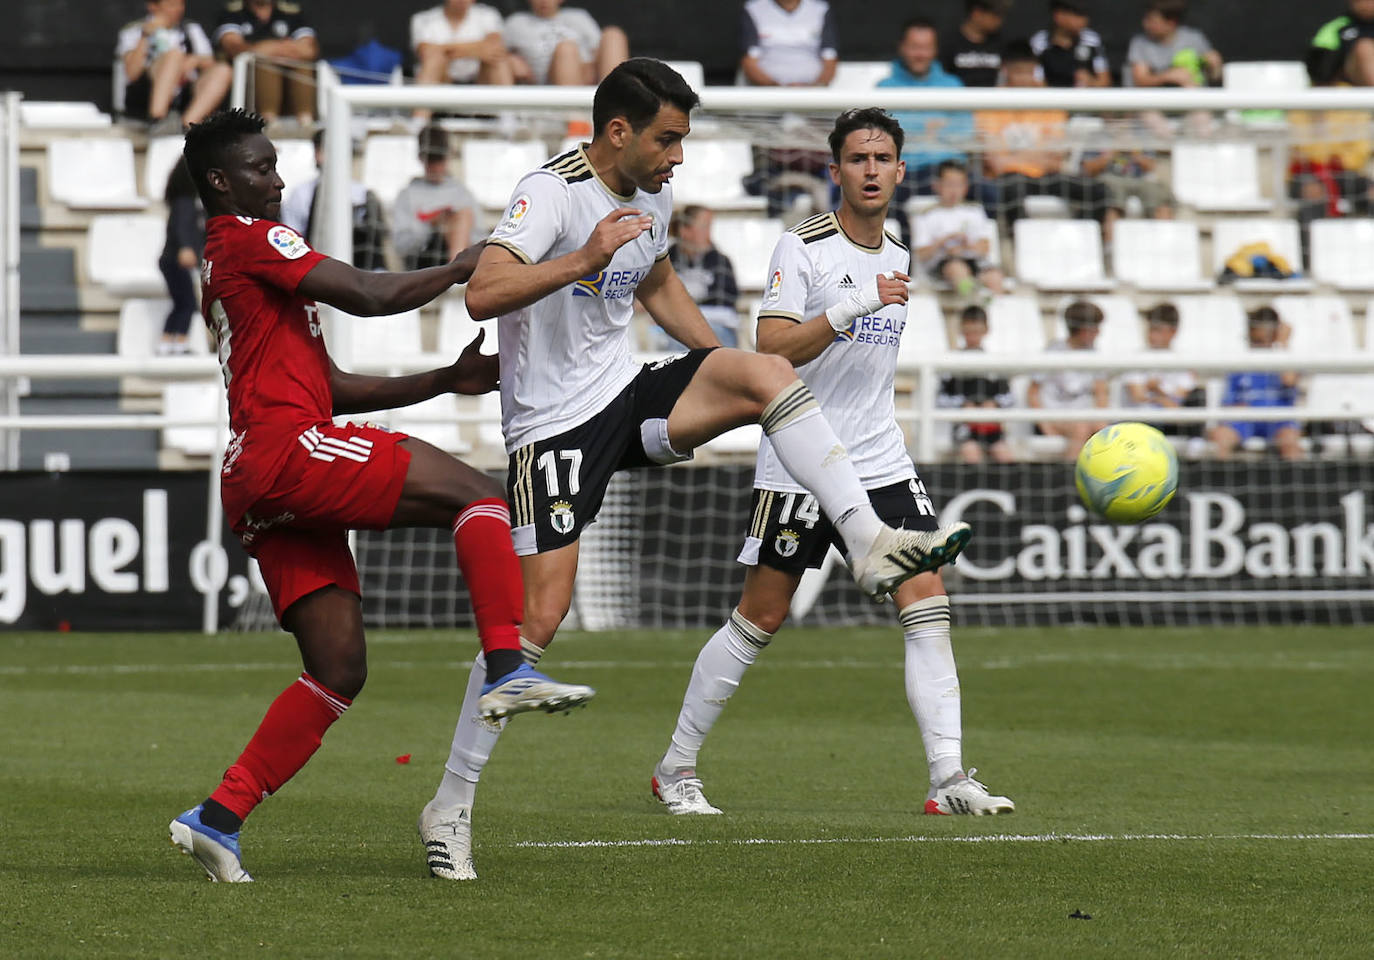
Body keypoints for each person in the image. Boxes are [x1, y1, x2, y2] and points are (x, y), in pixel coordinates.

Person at [426, 62, 974, 880]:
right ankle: (451, 805)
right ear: (620, 132)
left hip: (625, 394)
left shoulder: (651, 196)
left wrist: (716, 365)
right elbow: (484, 293)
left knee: (764, 373)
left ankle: (866, 542)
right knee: (536, 622)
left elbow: (655, 279)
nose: (677, 156)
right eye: (668, 138)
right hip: (550, 428)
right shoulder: (551, 192)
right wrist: (582, 257)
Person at [166, 108, 593, 884]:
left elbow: (328, 385)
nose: (279, 178)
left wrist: (444, 380)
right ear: (224, 181)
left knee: (337, 668)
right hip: (288, 452)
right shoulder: (250, 236)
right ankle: (506, 666)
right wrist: (461, 267)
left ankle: (217, 817)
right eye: (262, 167)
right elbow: (367, 292)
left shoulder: (240, 264)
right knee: (478, 496)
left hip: (257, 477)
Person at [650, 108, 1012, 820]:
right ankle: (675, 766)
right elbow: (771, 350)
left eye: (883, 158)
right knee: (762, 614)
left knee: (928, 602)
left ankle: (947, 779)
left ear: (901, 171)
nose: (871, 169)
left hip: (879, 456)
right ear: (835, 170)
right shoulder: (804, 246)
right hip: (800, 458)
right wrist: (851, 306)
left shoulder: (902, 255)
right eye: (857, 158)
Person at [879, 17, 995, 227]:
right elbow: (886, 140)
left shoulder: (952, 85)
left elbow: (965, 132)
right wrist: (935, 129)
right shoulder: (884, 88)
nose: (920, 54)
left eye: (926, 47)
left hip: (951, 171)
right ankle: (905, 258)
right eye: (914, 47)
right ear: (902, 48)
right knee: (885, 202)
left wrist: (913, 130)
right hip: (906, 173)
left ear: (935, 50)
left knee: (990, 193)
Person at [975, 42, 1107, 223]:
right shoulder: (989, 104)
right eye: (1018, 72)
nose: (1024, 78)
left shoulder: (1048, 101)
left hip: (1046, 177)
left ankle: (1081, 239)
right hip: (1009, 180)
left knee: (1097, 190)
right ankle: (1018, 242)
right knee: (1010, 190)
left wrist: (1014, 155)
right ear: (1005, 71)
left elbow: (1056, 158)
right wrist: (1036, 155)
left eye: (1029, 71)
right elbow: (996, 163)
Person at [279, 128, 388, 271]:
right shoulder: (301, 194)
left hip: (360, 272)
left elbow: (375, 250)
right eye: (325, 150)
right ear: (317, 153)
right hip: (315, 272)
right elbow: (292, 238)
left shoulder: (363, 194)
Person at [116, 0, 232, 131]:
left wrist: (195, 60)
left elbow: (210, 61)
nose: (178, 9)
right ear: (153, 6)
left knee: (223, 70)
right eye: (171, 5)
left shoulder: (191, 29)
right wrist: (146, 36)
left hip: (185, 92)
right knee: (173, 57)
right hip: (145, 93)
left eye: (180, 4)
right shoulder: (135, 31)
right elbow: (132, 73)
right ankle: (158, 119)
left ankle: (188, 126)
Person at [1209, 307, 1303, 461]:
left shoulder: (1286, 359)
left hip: (1278, 419)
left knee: (1290, 440)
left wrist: (1283, 344)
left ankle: (1295, 483)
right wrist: (1236, 409)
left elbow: (1289, 380)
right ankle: (1221, 483)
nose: (1256, 345)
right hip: (1245, 419)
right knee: (1221, 436)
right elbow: (1227, 404)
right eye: (1253, 340)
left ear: (1274, 336)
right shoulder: (1239, 364)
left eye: (1261, 341)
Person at [214, 0, 319, 128]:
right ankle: (269, 123)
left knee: (301, 66)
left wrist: (271, 49)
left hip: (289, 85)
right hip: (249, 87)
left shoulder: (291, 13)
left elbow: (309, 49)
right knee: (266, 64)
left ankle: (306, 124)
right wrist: (279, 49)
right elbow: (233, 47)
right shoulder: (232, 13)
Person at [1028, 299, 1109, 460]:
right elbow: (1032, 392)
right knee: (1081, 427)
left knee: (1104, 430)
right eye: (1094, 328)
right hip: (1057, 416)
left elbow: (1101, 392)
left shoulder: (1095, 354)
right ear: (1081, 329)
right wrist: (1044, 424)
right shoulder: (1053, 352)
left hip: (1085, 416)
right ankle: (1070, 477)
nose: (1098, 333)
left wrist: (1101, 419)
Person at [912, 160, 1006, 300]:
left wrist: (967, 246)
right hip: (943, 265)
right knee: (957, 269)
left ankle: (998, 311)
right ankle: (972, 302)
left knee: (995, 276)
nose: (954, 190)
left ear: (966, 187)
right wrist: (943, 243)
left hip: (972, 261)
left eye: (959, 185)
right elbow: (920, 254)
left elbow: (985, 246)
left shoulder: (975, 211)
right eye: (949, 184)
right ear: (937, 185)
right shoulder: (926, 216)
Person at [392, 124, 479, 271]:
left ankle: (455, 273)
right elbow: (401, 247)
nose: (436, 166)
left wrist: (452, 226)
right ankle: (455, 273)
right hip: (422, 259)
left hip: (458, 253)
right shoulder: (407, 195)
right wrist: (431, 225)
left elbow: (479, 238)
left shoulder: (462, 193)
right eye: (431, 160)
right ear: (421, 159)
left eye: (440, 159)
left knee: (463, 216)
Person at [938, 305, 1016, 465]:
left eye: (977, 331)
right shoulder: (951, 365)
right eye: (968, 332)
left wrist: (995, 404)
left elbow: (1009, 398)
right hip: (964, 427)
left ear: (986, 330)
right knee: (971, 453)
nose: (972, 337)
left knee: (1005, 455)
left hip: (992, 428)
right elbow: (940, 399)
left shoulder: (995, 365)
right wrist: (963, 405)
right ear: (961, 330)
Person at [1121, 303, 1205, 451]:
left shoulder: (1184, 362)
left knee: (1198, 395)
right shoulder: (1135, 359)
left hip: (1172, 421)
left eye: (1158, 330)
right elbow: (1136, 396)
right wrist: (1164, 398)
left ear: (1173, 332)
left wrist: (1156, 392)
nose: (1152, 335)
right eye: (1150, 330)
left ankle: (1195, 448)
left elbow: (1181, 398)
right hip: (1145, 420)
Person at [660, 205, 740, 349]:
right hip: (673, 326)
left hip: (715, 327)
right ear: (685, 230)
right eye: (705, 227)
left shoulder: (720, 261)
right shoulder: (666, 259)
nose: (709, 234)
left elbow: (725, 309)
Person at [504, 0, 630, 86]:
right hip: (546, 80)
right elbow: (496, 55)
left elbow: (598, 51)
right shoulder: (516, 23)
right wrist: (509, 60)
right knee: (566, 50)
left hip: (586, 74)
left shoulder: (579, 16)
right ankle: (574, 117)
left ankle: (615, 103)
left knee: (613, 34)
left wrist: (587, 67)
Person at [411, 0, 514, 98]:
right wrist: (478, 50)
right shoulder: (424, 18)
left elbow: (495, 46)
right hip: (442, 82)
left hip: (480, 80)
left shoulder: (487, 14)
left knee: (497, 59)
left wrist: (445, 50)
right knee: (434, 60)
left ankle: (507, 115)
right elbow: (425, 51)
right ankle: (420, 116)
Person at [157, 157, 205, 355]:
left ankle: (169, 341)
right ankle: (177, 343)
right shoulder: (185, 202)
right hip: (174, 260)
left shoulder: (190, 202)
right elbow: (182, 228)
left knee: (182, 303)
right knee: (187, 303)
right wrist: (186, 248)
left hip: (171, 261)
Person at [740, 0, 838, 87]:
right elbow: (749, 62)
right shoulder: (754, 9)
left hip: (814, 95)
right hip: (768, 94)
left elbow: (830, 59)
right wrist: (779, 89)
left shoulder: (820, 9)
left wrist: (813, 89)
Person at [1125, 0, 1222, 88]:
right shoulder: (1140, 42)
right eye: (1146, 19)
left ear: (1171, 22)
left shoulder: (1194, 38)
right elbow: (1140, 80)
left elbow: (1215, 76)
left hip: (1193, 99)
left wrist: (1214, 66)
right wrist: (1169, 76)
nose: (1145, 24)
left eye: (1152, 20)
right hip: (1155, 102)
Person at [1030, 0, 1111, 88]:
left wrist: (1091, 81)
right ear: (1059, 15)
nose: (1084, 20)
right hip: (1050, 99)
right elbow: (1035, 81)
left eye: (1084, 15)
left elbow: (1104, 80)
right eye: (1078, 15)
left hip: (1084, 99)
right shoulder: (1039, 41)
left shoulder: (1092, 39)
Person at [942, 0, 1012, 88]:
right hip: (958, 99)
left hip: (993, 99)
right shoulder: (949, 42)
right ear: (977, 13)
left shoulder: (1002, 42)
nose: (1000, 20)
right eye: (995, 15)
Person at [1306, 0, 1374, 87]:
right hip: (1349, 82)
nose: (1366, 4)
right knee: (1364, 48)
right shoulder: (1337, 27)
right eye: (1359, 1)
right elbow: (1318, 68)